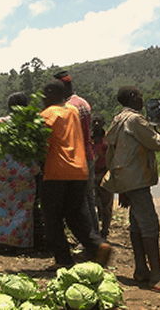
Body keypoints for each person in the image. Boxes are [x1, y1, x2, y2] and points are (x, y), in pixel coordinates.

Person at [101, 86, 160, 297]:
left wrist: (120, 184)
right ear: (132, 98)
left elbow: (113, 153)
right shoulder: (135, 120)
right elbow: (159, 143)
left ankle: (141, 269)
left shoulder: (118, 119)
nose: (143, 100)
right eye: (140, 96)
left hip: (128, 179)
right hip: (137, 181)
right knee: (150, 226)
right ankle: (157, 276)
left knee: (137, 225)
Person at [39, 79, 111, 272]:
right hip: (79, 170)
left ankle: (63, 259)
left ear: (51, 95)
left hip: (57, 171)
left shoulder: (47, 115)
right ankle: (97, 244)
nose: (42, 100)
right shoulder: (72, 111)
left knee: (52, 217)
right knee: (74, 214)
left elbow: (42, 145)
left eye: (44, 96)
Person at [0, 92, 40, 250]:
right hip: (25, 171)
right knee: (22, 207)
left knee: (3, 206)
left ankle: (2, 240)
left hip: (5, 171)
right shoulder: (33, 123)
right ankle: (20, 243)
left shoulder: (2, 122)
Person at [54, 71, 99, 235]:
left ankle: (90, 239)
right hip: (88, 154)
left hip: (77, 158)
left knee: (80, 202)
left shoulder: (69, 107)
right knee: (88, 198)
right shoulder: (83, 102)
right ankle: (96, 235)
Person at [91, 114, 113, 239]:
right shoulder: (88, 139)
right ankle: (93, 231)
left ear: (104, 123)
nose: (97, 124)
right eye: (95, 121)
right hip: (91, 175)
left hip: (105, 175)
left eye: (99, 122)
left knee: (106, 206)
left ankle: (105, 231)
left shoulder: (109, 138)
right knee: (91, 204)